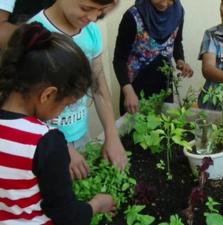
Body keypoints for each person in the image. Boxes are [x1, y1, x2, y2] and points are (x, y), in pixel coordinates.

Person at [0, 22, 115, 225]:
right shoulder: (46, 142)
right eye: (66, 105)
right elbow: (67, 216)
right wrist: (97, 204)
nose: (62, 111)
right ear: (48, 94)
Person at [28, 0, 127, 180]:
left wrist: (112, 135)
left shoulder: (91, 32)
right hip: (43, 145)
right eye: (86, 8)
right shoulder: (34, 35)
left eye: (100, 10)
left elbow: (98, 86)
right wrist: (61, 146)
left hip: (81, 135)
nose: (92, 17)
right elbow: (24, 107)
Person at [113, 0, 193, 115]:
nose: (164, 4)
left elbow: (177, 42)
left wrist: (180, 60)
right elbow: (119, 59)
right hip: (135, 92)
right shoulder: (133, 16)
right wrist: (128, 91)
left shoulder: (178, 12)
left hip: (164, 88)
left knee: (164, 130)